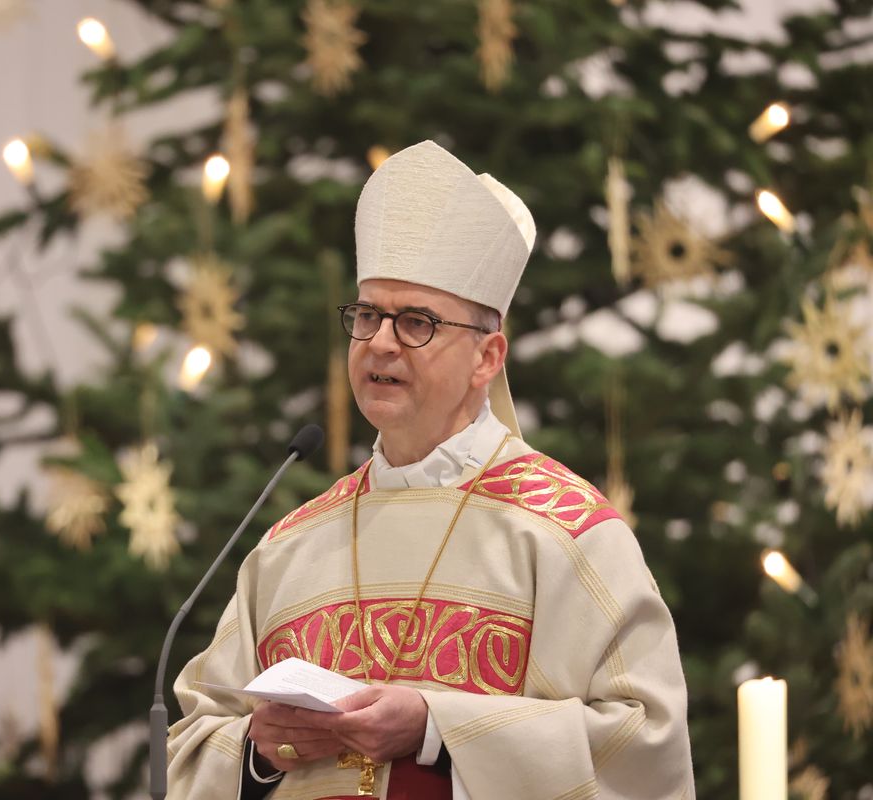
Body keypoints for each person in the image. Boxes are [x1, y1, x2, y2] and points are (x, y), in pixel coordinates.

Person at [166, 140, 694, 799]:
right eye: (367, 316)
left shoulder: (566, 533)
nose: (380, 342)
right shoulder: (288, 548)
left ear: (486, 358)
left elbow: (644, 747)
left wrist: (435, 728)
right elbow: (187, 751)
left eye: (416, 322)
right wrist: (260, 749)